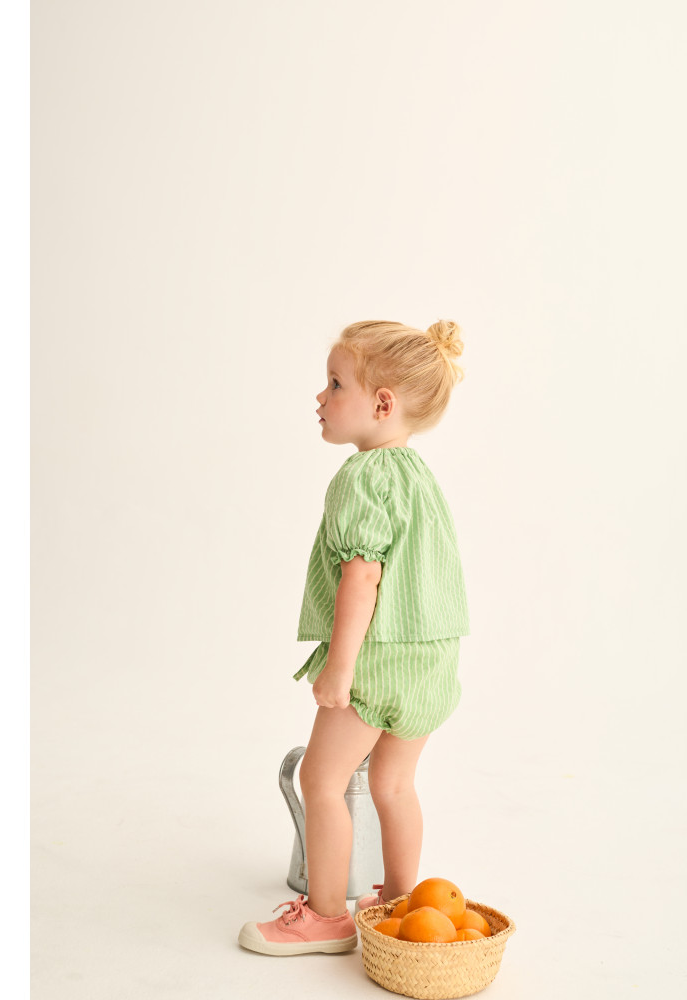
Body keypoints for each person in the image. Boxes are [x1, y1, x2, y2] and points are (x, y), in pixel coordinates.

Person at [237, 319, 471, 956]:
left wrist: (340, 667)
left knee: (321, 780)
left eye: (336, 384)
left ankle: (325, 917)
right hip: (431, 658)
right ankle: (399, 902)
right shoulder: (419, 476)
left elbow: (362, 577)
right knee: (394, 784)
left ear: (382, 403)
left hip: (376, 659)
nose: (321, 396)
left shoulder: (362, 477)